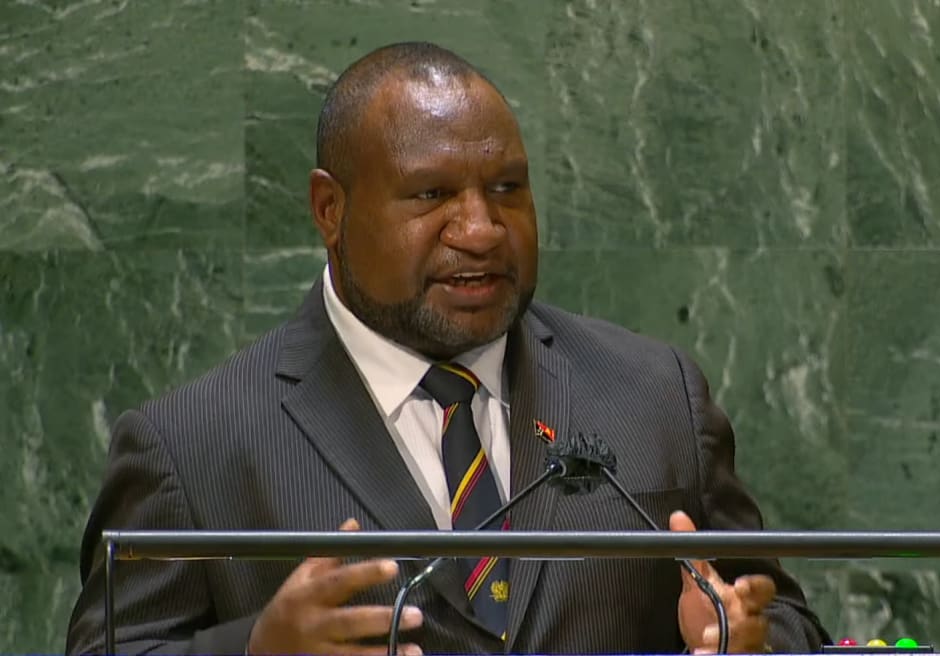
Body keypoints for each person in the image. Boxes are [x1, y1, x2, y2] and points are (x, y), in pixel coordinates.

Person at [66, 42, 829, 655]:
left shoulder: (655, 395)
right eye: (431, 195)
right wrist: (258, 650)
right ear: (330, 209)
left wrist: (747, 645)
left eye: (507, 189)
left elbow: (785, 623)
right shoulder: (190, 448)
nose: (481, 230)